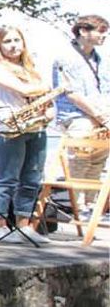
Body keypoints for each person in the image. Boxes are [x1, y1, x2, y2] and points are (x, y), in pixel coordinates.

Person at [0, 24, 55, 235]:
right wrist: (48, 88)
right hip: (9, 128)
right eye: (7, 41)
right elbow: (24, 90)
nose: (13, 45)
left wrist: (49, 109)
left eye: (17, 40)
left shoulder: (32, 70)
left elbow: (45, 98)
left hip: (36, 127)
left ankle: (24, 225)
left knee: (32, 179)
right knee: (7, 179)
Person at [50, 14, 108, 201]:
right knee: (80, 160)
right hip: (76, 117)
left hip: (99, 117)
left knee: (98, 162)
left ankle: (91, 205)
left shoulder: (100, 59)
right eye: (100, 31)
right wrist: (99, 116)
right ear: (83, 31)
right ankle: (77, 205)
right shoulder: (65, 56)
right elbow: (71, 93)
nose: (104, 36)